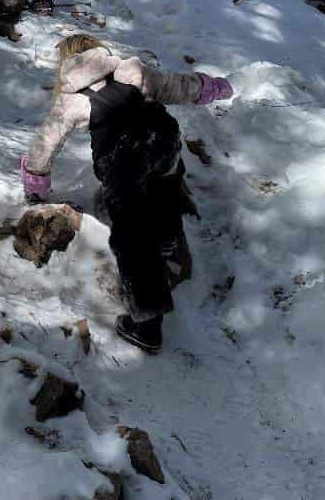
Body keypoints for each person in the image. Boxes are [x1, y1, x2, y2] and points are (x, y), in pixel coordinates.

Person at [20, 34, 234, 353]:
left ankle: (147, 325)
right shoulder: (130, 70)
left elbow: (45, 144)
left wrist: (35, 182)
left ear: (66, 63)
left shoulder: (70, 99)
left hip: (121, 163)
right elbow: (178, 86)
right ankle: (167, 238)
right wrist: (212, 88)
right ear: (98, 50)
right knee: (165, 187)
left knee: (132, 236)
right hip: (162, 140)